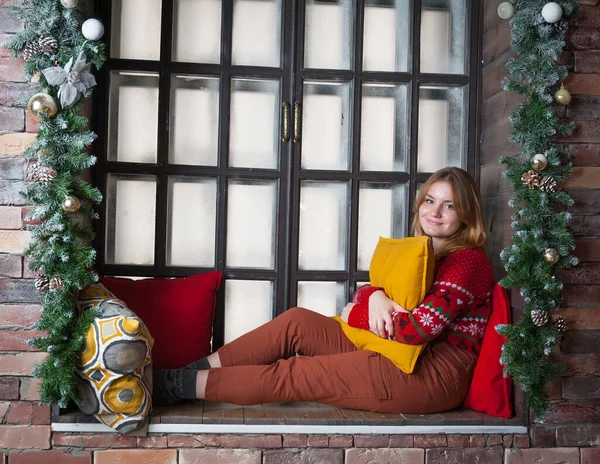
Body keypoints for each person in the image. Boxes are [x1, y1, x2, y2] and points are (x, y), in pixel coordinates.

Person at [153, 167, 494, 414]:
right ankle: (190, 371)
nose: (434, 212)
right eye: (430, 200)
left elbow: (417, 330)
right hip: (395, 349)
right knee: (296, 321)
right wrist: (374, 297)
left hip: (432, 374)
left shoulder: (467, 261)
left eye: (448, 206)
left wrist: (357, 313)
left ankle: (173, 387)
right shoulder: (422, 251)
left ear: (466, 215)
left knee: (297, 374)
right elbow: (373, 289)